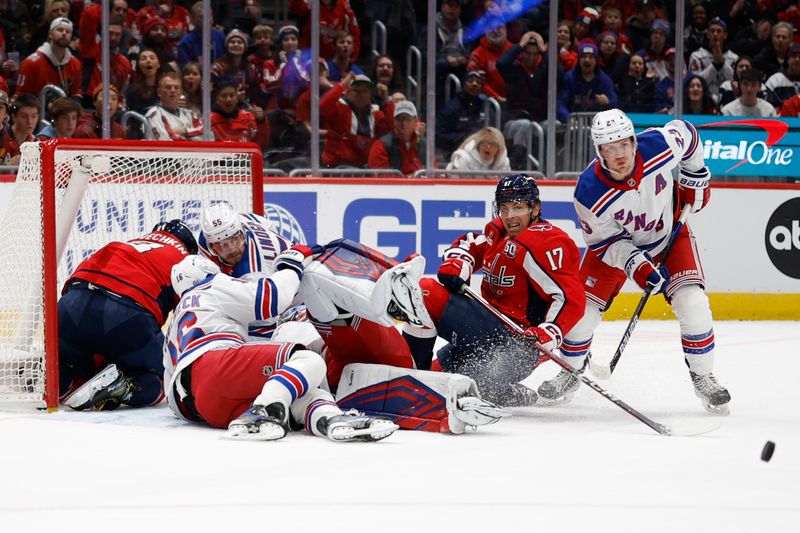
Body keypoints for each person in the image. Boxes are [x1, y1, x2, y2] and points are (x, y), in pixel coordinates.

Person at [560, 108, 731, 414]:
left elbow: (688, 134)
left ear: (633, 141)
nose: (620, 154)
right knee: (581, 314)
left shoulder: (659, 145)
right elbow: (604, 242)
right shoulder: (588, 192)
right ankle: (569, 372)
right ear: (600, 151)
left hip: (669, 235)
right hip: (616, 251)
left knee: (693, 303)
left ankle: (703, 376)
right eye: (610, 149)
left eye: (624, 144)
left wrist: (696, 177)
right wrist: (636, 265)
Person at [163, 253, 398, 442]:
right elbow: (269, 298)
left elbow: (170, 385)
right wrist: (292, 265)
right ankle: (263, 410)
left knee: (301, 392)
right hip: (213, 366)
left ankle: (331, 420)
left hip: (198, 406)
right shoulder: (211, 286)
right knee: (307, 361)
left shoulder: (176, 319)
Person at [399, 175, 585, 406]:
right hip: (486, 332)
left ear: (535, 208)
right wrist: (459, 261)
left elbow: (571, 298)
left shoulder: (546, 242)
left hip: (516, 346)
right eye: (504, 208)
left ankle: (416, 379)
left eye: (518, 207)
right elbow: (471, 244)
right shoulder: (498, 231)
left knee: (425, 292)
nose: (510, 216)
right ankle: (492, 390)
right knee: (444, 379)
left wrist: (549, 333)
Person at [60, 220, 197, 411]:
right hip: (125, 315)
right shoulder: (184, 258)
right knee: (172, 377)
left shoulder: (130, 243)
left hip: (71, 305)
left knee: (80, 361)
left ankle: (61, 380)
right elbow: (189, 315)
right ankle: (122, 387)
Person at [320, 73, 394, 168]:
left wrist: (386, 100)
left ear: (370, 94)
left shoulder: (376, 114)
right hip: (337, 168)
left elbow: (392, 130)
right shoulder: (339, 109)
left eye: (365, 91)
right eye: (356, 90)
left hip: (364, 169)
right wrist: (342, 85)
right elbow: (323, 106)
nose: (360, 95)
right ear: (348, 92)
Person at [16, 17, 82, 100]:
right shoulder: (31, 63)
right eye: (60, 30)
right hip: (36, 110)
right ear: (50, 34)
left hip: (63, 111)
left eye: (68, 31)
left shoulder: (75, 63)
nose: (64, 33)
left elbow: (76, 93)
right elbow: (20, 97)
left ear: (71, 37)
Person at [557, 42, 618, 122]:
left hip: (598, 126)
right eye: (584, 57)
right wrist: (568, 118)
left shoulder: (605, 80)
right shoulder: (569, 78)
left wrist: (608, 100)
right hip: (572, 125)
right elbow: (560, 103)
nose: (587, 60)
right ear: (579, 60)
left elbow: (615, 101)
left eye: (591, 57)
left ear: (596, 61)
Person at [435, 70, 488, 156]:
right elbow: (440, 135)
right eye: (470, 81)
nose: (474, 84)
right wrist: (466, 137)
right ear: (463, 85)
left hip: (482, 151)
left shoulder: (485, 107)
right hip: (456, 151)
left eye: (478, 82)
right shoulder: (451, 107)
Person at [368, 100, 426, 176]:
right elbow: (381, 178)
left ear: (416, 121)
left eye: (407, 119)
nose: (404, 123)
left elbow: (433, 172)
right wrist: (410, 179)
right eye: (399, 119)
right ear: (394, 121)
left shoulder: (424, 145)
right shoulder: (380, 145)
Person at [688, 18, 738, 104]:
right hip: (703, 102)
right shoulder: (696, 56)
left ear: (725, 35)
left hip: (728, 102)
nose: (715, 34)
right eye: (712, 31)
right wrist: (715, 65)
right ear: (707, 34)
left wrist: (722, 63)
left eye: (719, 31)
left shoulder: (733, 58)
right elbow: (695, 83)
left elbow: (735, 83)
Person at [211, 79, 269, 150]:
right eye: (224, 96)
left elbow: (261, 144)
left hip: (245, 159)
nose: (228, 99)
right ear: (217, 99)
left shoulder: (248, 117)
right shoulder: (209, 121)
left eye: (232, 95)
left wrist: (261, 122)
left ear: (237, 98)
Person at [145, 72, 204, 140]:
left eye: (176, 88)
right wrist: (193, 136)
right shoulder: (154, 115)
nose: (173, 90)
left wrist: (184, 131)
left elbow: (208, 134)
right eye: (168, 87)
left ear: (181, 92)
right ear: (159, 92)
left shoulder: (189, 114)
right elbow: (166, 141)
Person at [2, 94, 39, 165]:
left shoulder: (36, 143)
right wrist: (7, 166)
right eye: (24, 116)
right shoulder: (2, 138)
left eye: (34, 116)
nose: (29, 121)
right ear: (14, 117)